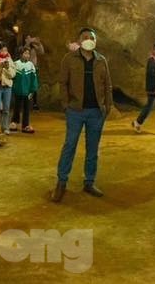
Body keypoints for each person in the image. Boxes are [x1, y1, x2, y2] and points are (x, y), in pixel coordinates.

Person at [52, 27, 112, 202]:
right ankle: (61, 182)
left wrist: (107, 106)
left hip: (96, 112)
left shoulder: (101, 61)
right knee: (70, 145)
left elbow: (107, 84)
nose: (89, 39)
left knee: (93, 149)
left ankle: (89, 182)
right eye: (85, 37)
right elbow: (63, 83)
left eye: (91, 37)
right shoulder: (69, 59)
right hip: (75, 111)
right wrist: (65, 104)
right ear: (79, 40)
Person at [131, 41, 155, 133]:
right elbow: (152, 73)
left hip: (153, 88)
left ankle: (137, 122)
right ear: (154, 50)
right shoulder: (152, 60)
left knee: (148, 107)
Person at [12, 46, 39, 132]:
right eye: (25, 53)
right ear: (20, 54)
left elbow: (33, 78)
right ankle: (14, 122)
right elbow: (12, 76)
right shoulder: (15, 64)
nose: (27, 55)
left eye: (28, 54)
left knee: (27, 108)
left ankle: (25, 125)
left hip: (27, 91)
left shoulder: (31, 65)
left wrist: (33, 90)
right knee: (17, 107)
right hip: (18, 90)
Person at [21, 35, 46, 110]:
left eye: (30, 37)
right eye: (28, 38)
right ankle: (25, 102)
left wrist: (39, 43)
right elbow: (23, 52)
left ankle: (34, 103)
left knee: (34, 86)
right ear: (25, 39)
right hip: (25, 69)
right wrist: (28, 43)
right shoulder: (24, 47)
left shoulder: (34, 47)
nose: (30, 39)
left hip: (34, 68)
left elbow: (42, 52)